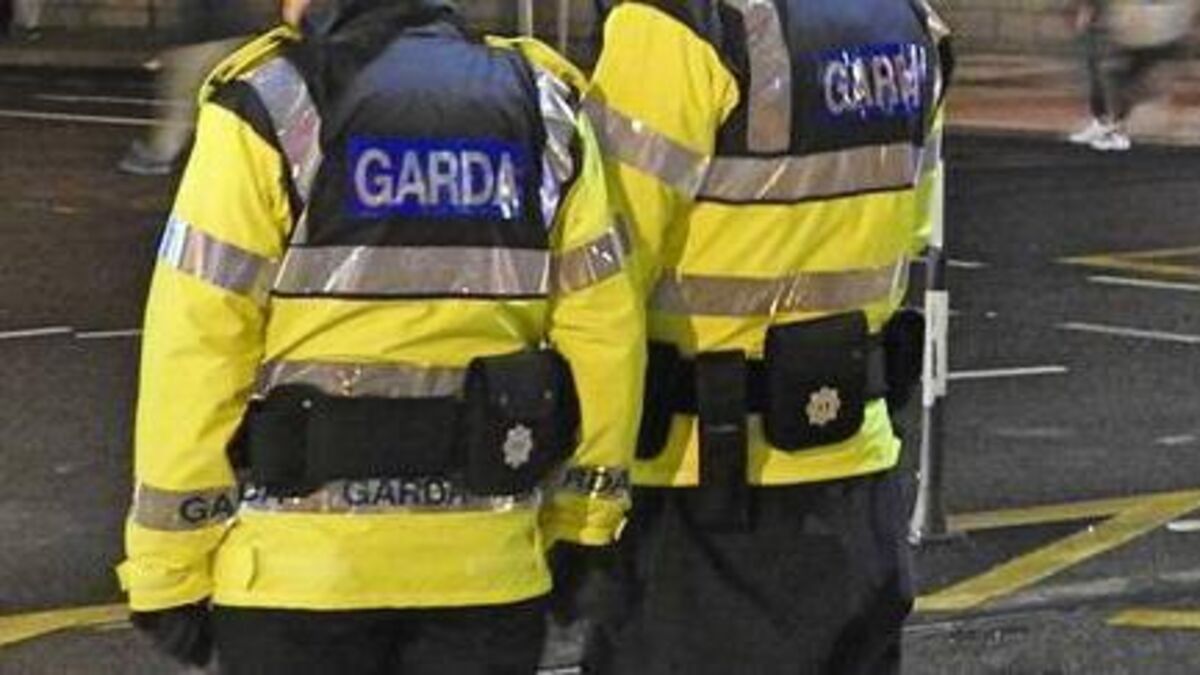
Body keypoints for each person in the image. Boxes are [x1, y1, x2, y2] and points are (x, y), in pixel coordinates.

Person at [116, 1, 645, 673]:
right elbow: (604, 330)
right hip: (486, 564)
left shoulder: (269, 105)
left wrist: (169, 568)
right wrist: (585, 522)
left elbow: (197, 345)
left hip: (298, 574)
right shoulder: (542, 106)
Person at [582, 1, 951, 673]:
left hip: (707, 497)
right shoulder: (908, 25)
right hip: (858, 484)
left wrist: (577, 506)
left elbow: (601, 277)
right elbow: (913, 233)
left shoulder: (677, 27)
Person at [117, 1, 273, 175]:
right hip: (239, 32)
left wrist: (171, 42)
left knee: (181, 99)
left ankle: (160, 155)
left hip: (204, 35)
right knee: (229, 100)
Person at [1068, 0, 1195, 152]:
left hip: (1136, 29)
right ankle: (1102, 123)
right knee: (1098, 72)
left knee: (1118, 77)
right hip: (1119, 25)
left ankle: (1116, 129)